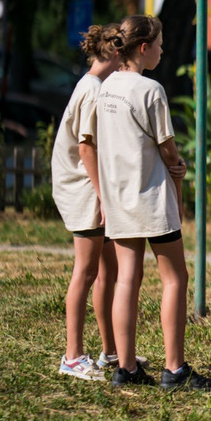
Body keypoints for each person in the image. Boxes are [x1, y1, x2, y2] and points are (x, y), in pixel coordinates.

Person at [97, 15, 211, 390]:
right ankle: (175, 369)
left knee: (126, 279)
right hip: (150, 196)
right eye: (160, 45)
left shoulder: (106, 87)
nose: (163, 51)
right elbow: (167, 146)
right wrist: (178, 166)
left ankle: (126, 368)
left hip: (118, 196)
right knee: (175, 278)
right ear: (144, 48)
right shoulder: (151, 89)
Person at [51, 24, 121, 381]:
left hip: (91, 188)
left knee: (110, 269)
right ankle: (72, 356)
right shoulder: (93, 90)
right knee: (86, 271)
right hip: (83, 189)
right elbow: (85, 147)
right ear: (114, 52)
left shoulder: (92, 85)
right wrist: (103, 195)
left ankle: (111, 352)